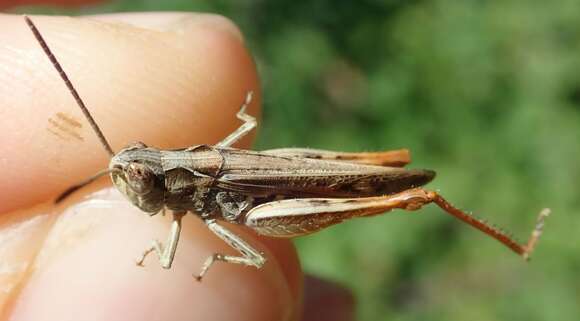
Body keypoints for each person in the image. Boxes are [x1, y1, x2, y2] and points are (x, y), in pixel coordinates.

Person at [0, 10, 353, 321]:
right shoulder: (197, 158)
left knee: (269, 232)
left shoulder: (198, 185)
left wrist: (210, 258)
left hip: (272, 198)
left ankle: (397, 195)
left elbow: (168, 261)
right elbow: (245, 124)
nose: (131, 177)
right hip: (250, 175)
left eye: (139, 173)